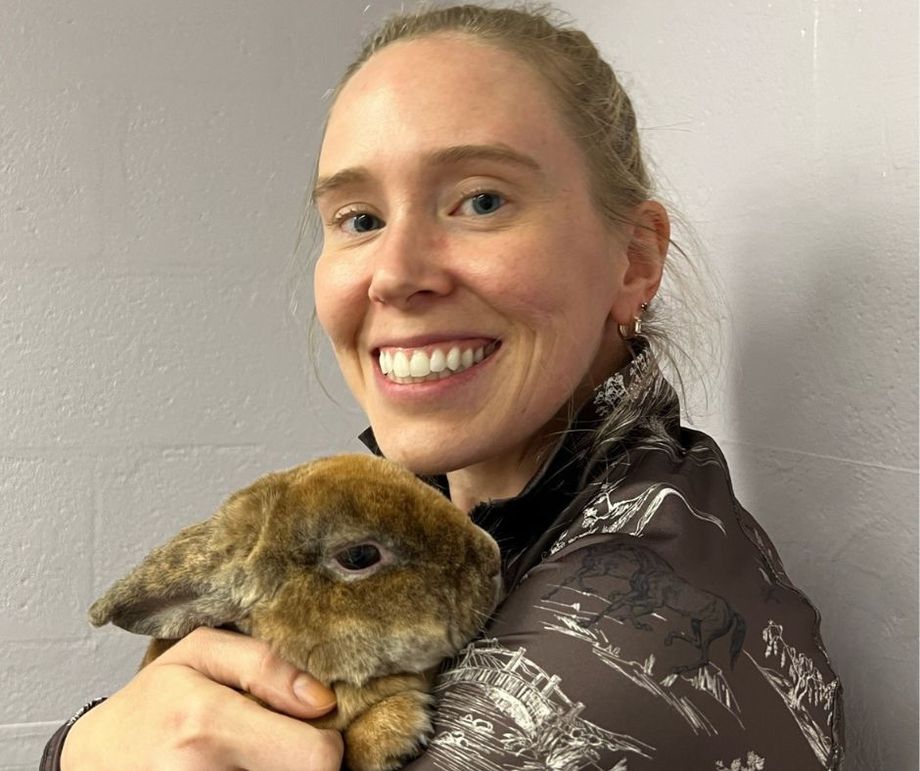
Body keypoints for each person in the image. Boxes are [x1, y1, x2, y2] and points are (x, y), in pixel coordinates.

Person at [45, 4, 845, 769]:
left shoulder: (599, 677)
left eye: (480, 201)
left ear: (633, 260)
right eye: (359, 218)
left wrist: (72, 755)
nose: (394, 275)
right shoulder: (542, 507)